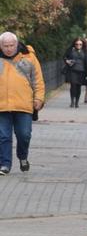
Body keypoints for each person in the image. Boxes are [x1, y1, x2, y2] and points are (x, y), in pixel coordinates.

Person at [0, 32, 44, 175]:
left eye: (11, 45)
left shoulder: (29, 57)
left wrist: (39, 99)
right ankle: (5, 164)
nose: (8, 49)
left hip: (23, 104)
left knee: (24, 135)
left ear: (17, 44)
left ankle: (23, 157)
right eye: (5, 46)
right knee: (3, 136)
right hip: (2, 105)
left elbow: (38, 80)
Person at [64, 37, 87, 108]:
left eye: (80, 44)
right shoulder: (71, 50)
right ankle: (72, 101)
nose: (78, 45)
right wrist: (67, 61)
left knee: (78, 87)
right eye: (77, 44)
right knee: (73, 85)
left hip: (82, 71)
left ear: (82, 44)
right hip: (73, 70)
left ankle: (77, 102)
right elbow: (65, 57)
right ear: (74, 44)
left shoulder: (85, 51)